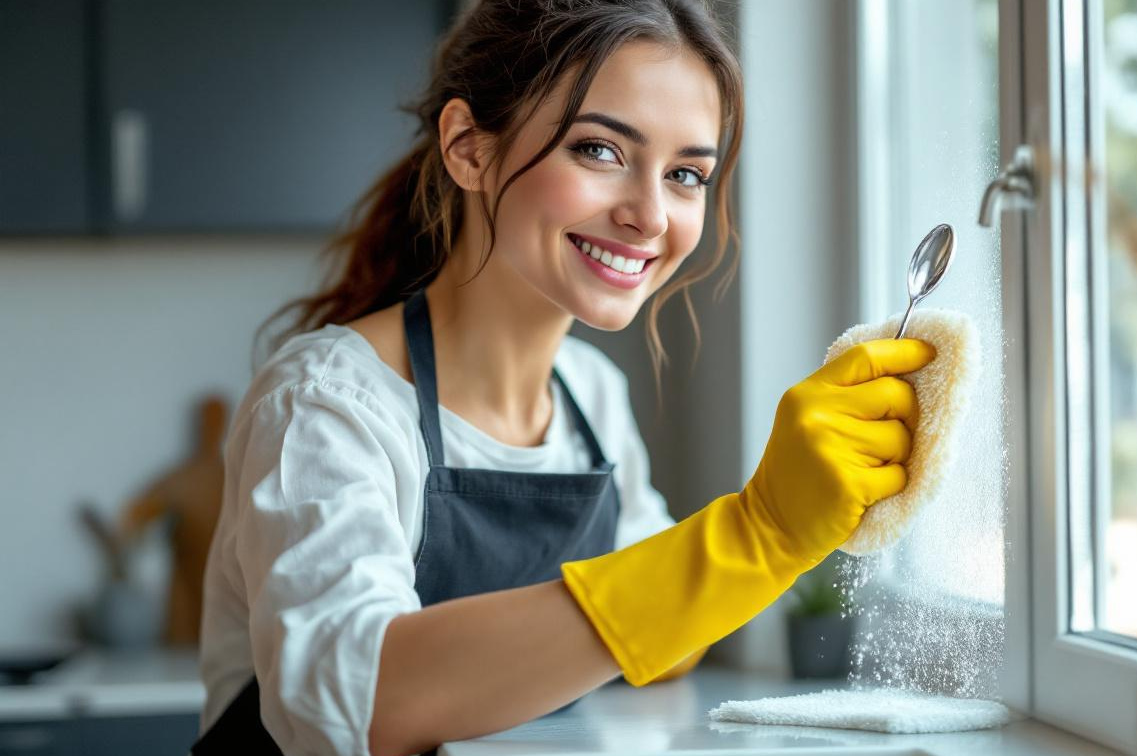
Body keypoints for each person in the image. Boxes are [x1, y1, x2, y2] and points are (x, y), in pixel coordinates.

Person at [192, 1, 935, 755]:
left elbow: (667, 659)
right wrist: (758, 532)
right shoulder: (327, 404)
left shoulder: (589, 397)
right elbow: (366, 704)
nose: (650, 215)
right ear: (468, 148)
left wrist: (788, 521)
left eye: (685, 173)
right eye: (600, 150)